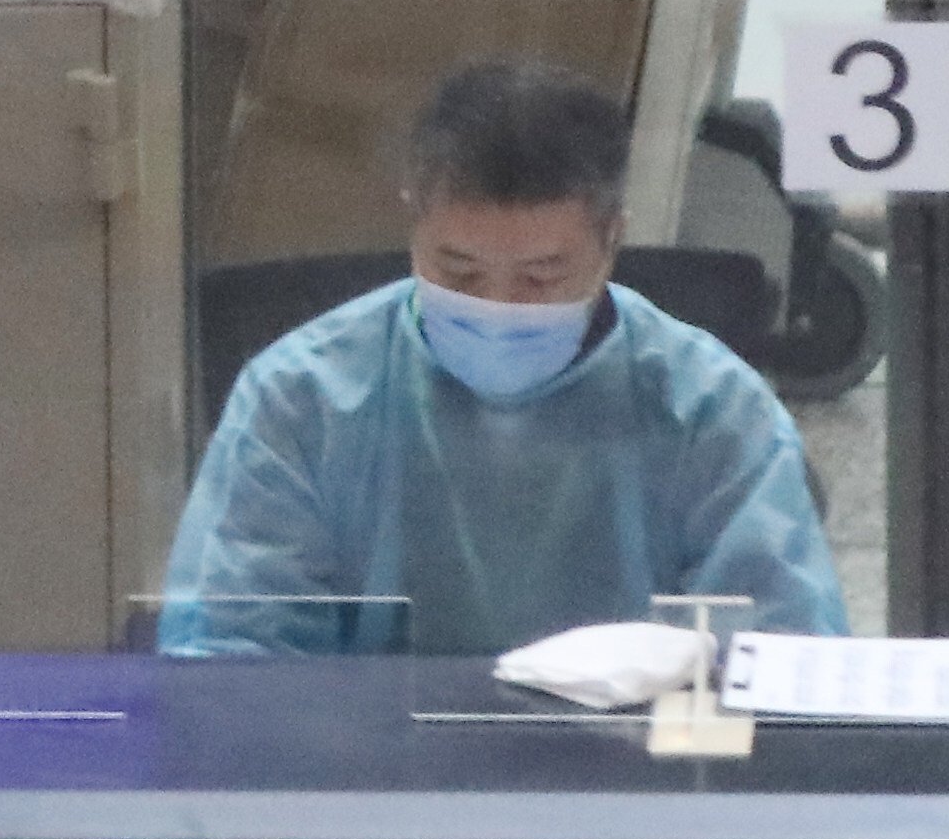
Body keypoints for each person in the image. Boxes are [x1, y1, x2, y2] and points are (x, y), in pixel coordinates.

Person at [166, 56, 844, 654]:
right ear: (414, 223)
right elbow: (231, 661)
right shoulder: (300, 399)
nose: (501, 305)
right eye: (458, 271)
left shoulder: (711, 410)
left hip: (629, 777)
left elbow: (781, 657)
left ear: (612, 240)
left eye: (543, 275)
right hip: (369, 776)